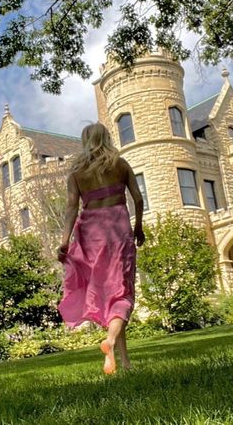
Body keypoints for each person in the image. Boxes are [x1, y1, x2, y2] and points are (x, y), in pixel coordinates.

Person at [57, 122, 145, 374]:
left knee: (109, 294)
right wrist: (138, 227)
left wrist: (65, 240)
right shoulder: (120, 163)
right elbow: (137, 198)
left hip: (90, 232)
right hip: (116, 228)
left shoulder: (77, 171)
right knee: (123, 293)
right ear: (106, 137)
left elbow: (71, 208)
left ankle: (123, 362)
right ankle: (110, 340)